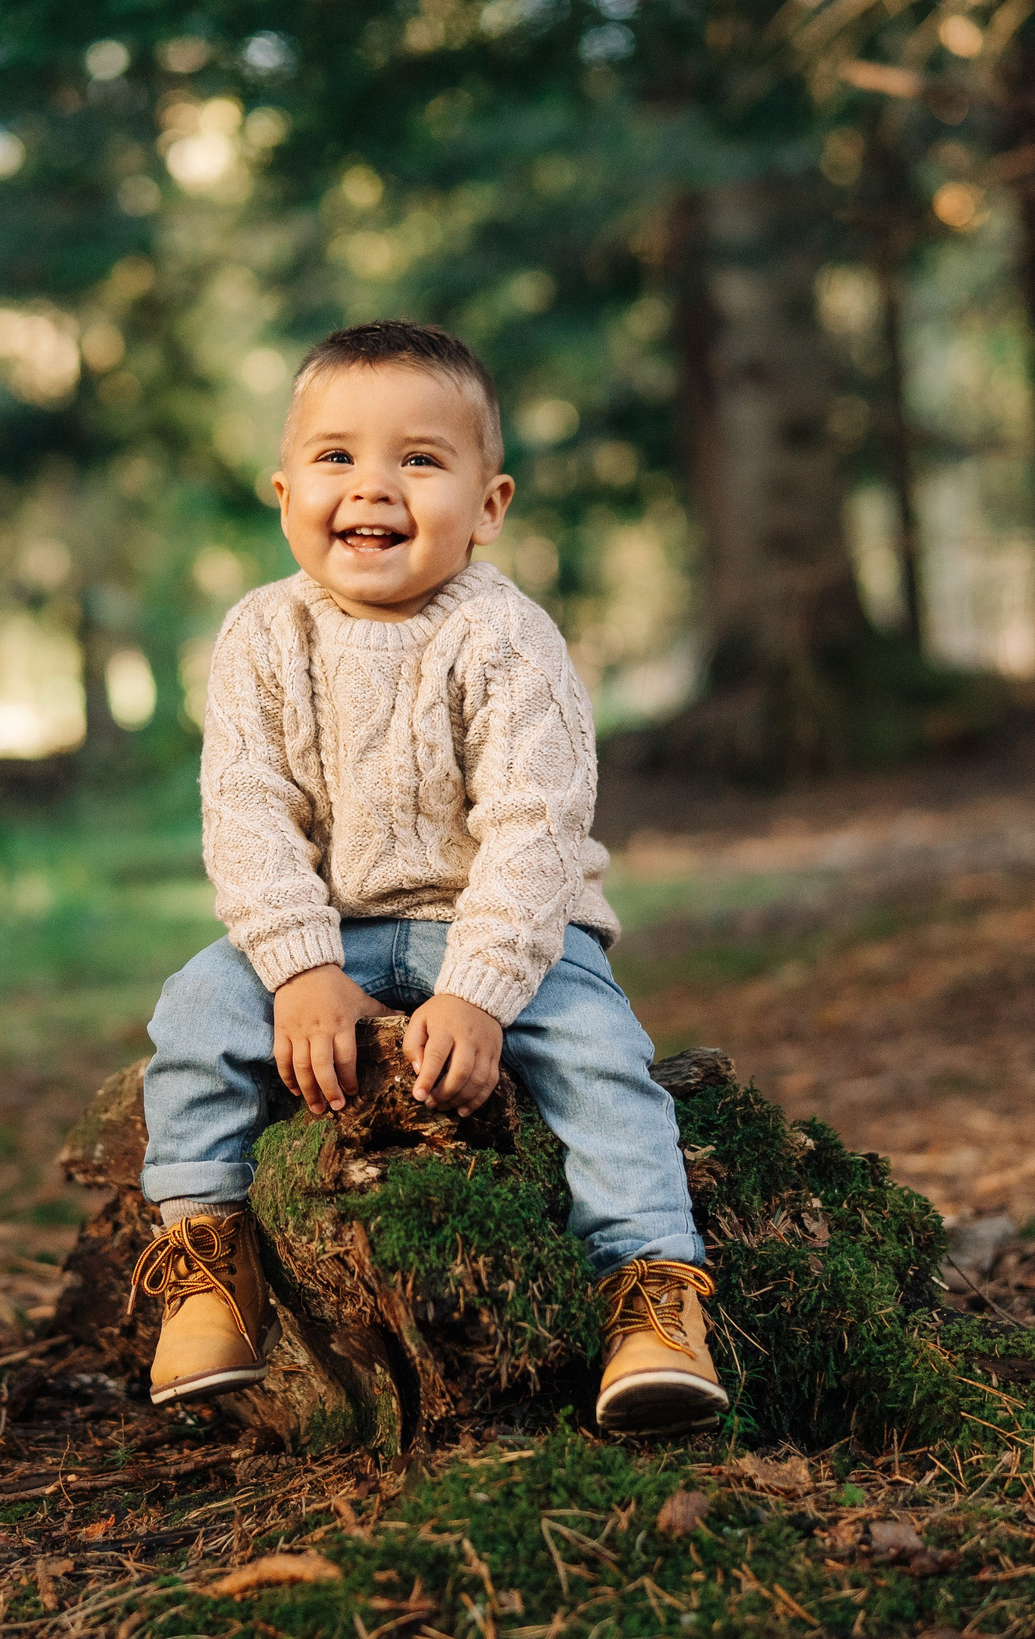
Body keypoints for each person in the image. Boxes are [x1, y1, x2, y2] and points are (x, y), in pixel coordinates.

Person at [128, 319, 725, 1435]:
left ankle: (650, 1291)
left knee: (602, 1058)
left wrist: (480, 991)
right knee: (196, 1010)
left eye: (419, 458)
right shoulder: (262, 634)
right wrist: (299, 971)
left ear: (488, 505)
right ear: (283, 488)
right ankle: (204, 1254)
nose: (374, 487)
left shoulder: (506, 637)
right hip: (329, 924)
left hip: (496, 926)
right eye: (337, 456)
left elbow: (536, 830)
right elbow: (248, 815)